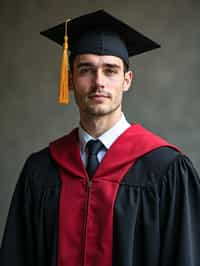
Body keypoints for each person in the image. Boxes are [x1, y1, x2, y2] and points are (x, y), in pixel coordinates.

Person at [0, 10, 200, 266]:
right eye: (86, 70)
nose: (98, 83)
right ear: (70, 79)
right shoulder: (39, 171)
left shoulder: (167, 169)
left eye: (110, 70)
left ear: (127, 80)